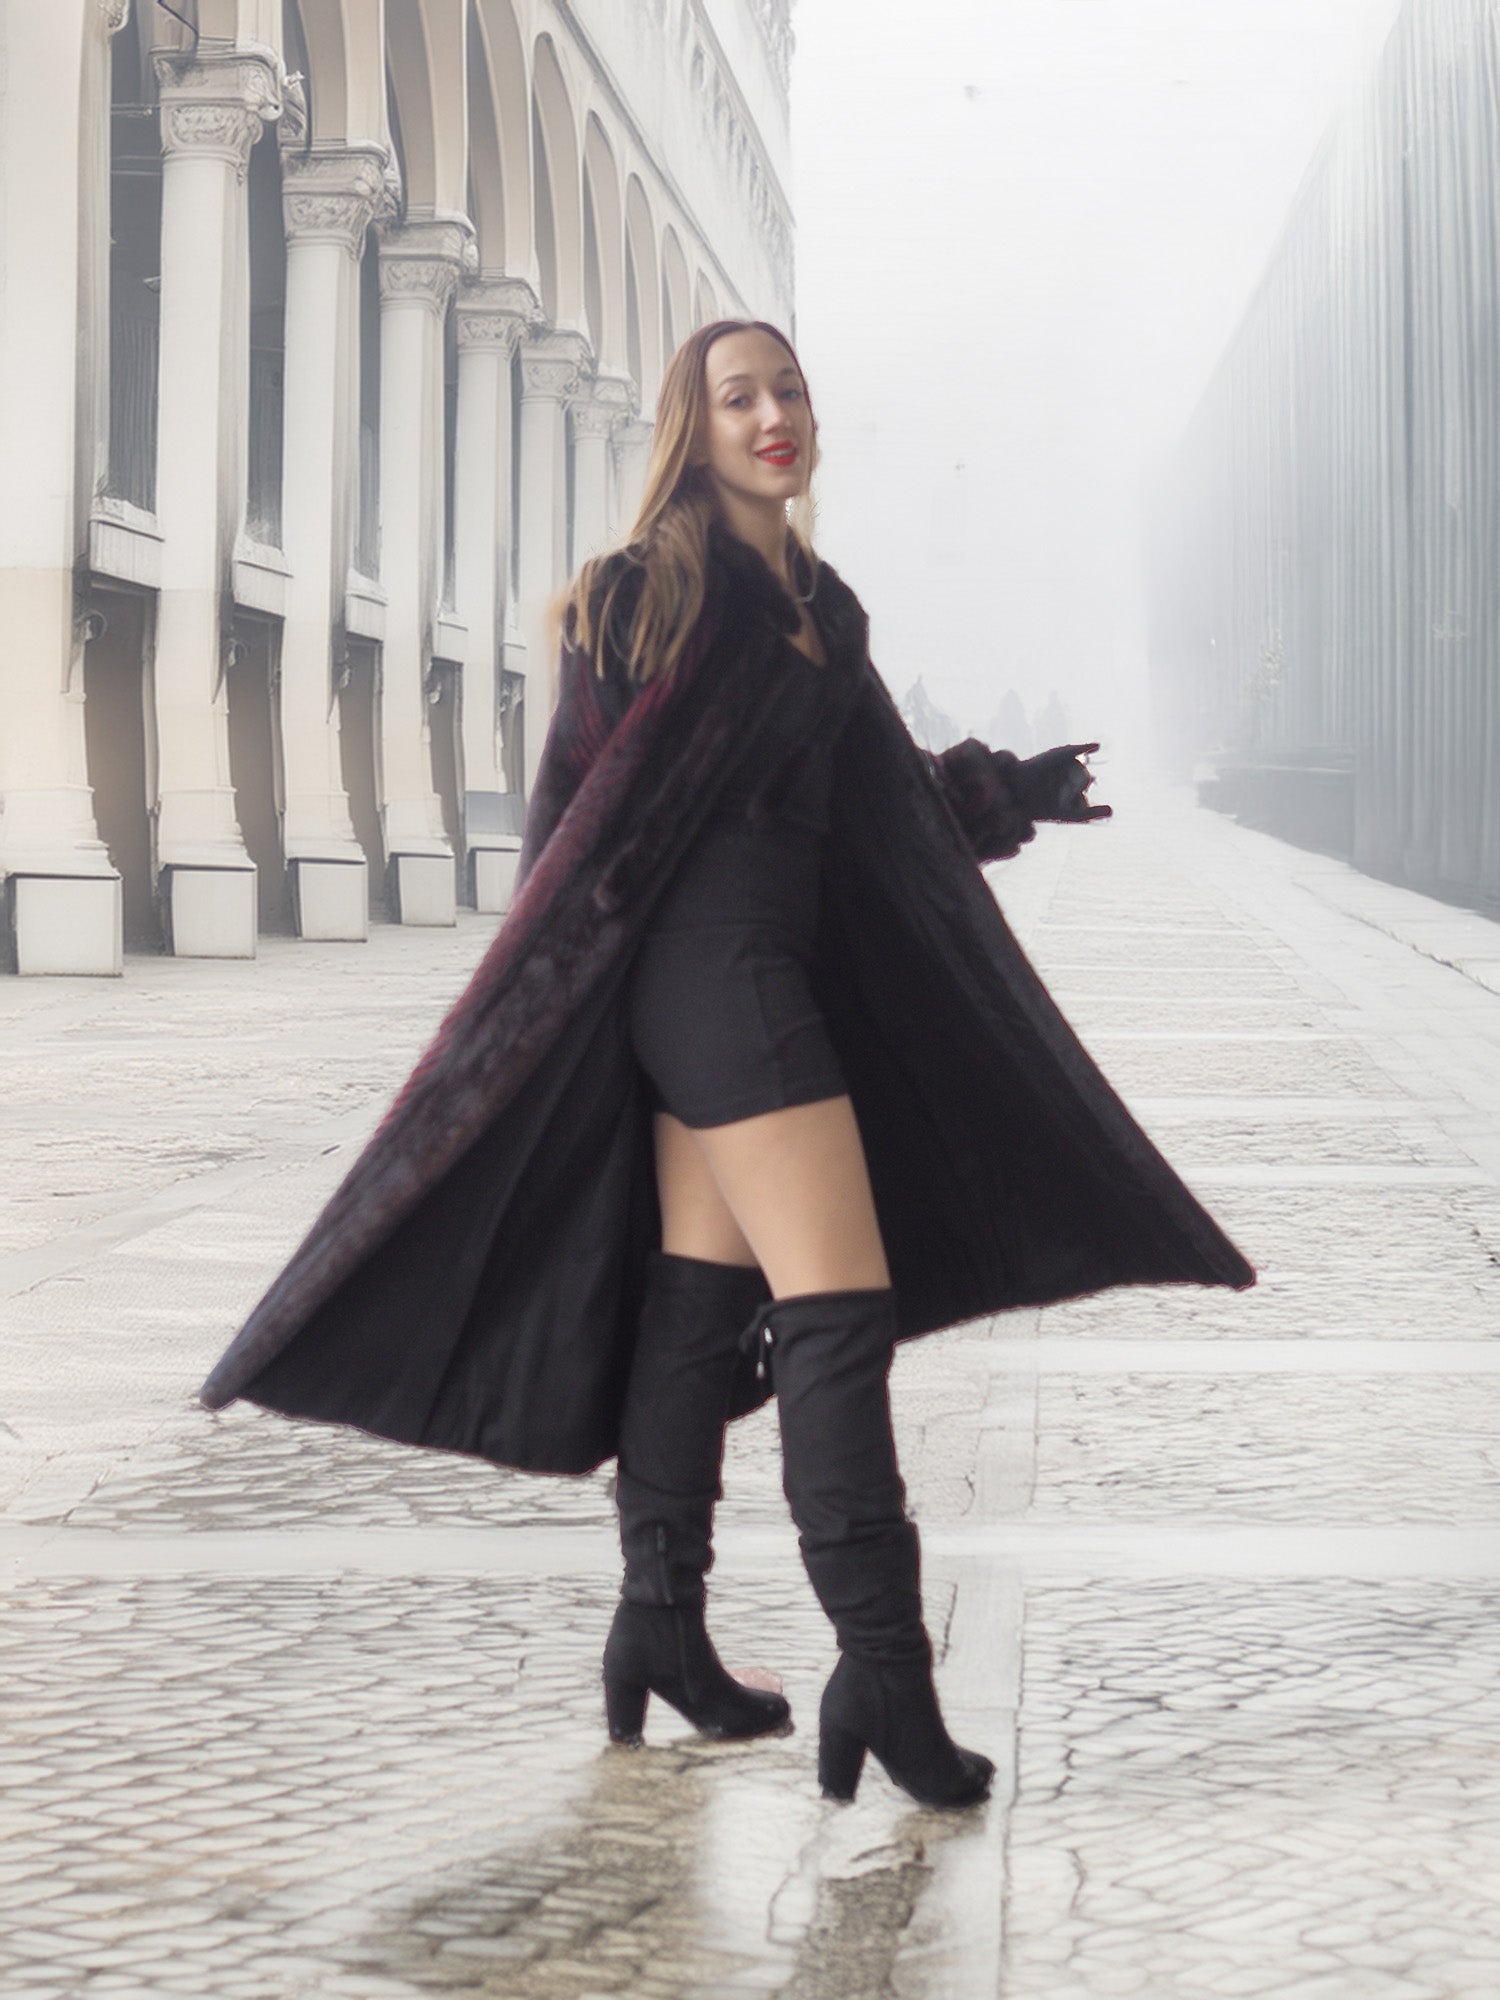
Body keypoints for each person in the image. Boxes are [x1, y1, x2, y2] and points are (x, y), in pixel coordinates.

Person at [201, 320, 1253, 1814]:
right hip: (718, 991)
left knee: (700, 1310)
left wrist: (1001, 791)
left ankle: (662, 1627)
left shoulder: (824, 608)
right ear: (690, 435)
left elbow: (883, 814)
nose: (774, 417)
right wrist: (552, 1018)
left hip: (756, 982)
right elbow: (580, 831)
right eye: (738, 397)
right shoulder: (642, 599)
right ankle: (882, 1670)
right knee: (837, 1313)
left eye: (791, 393)